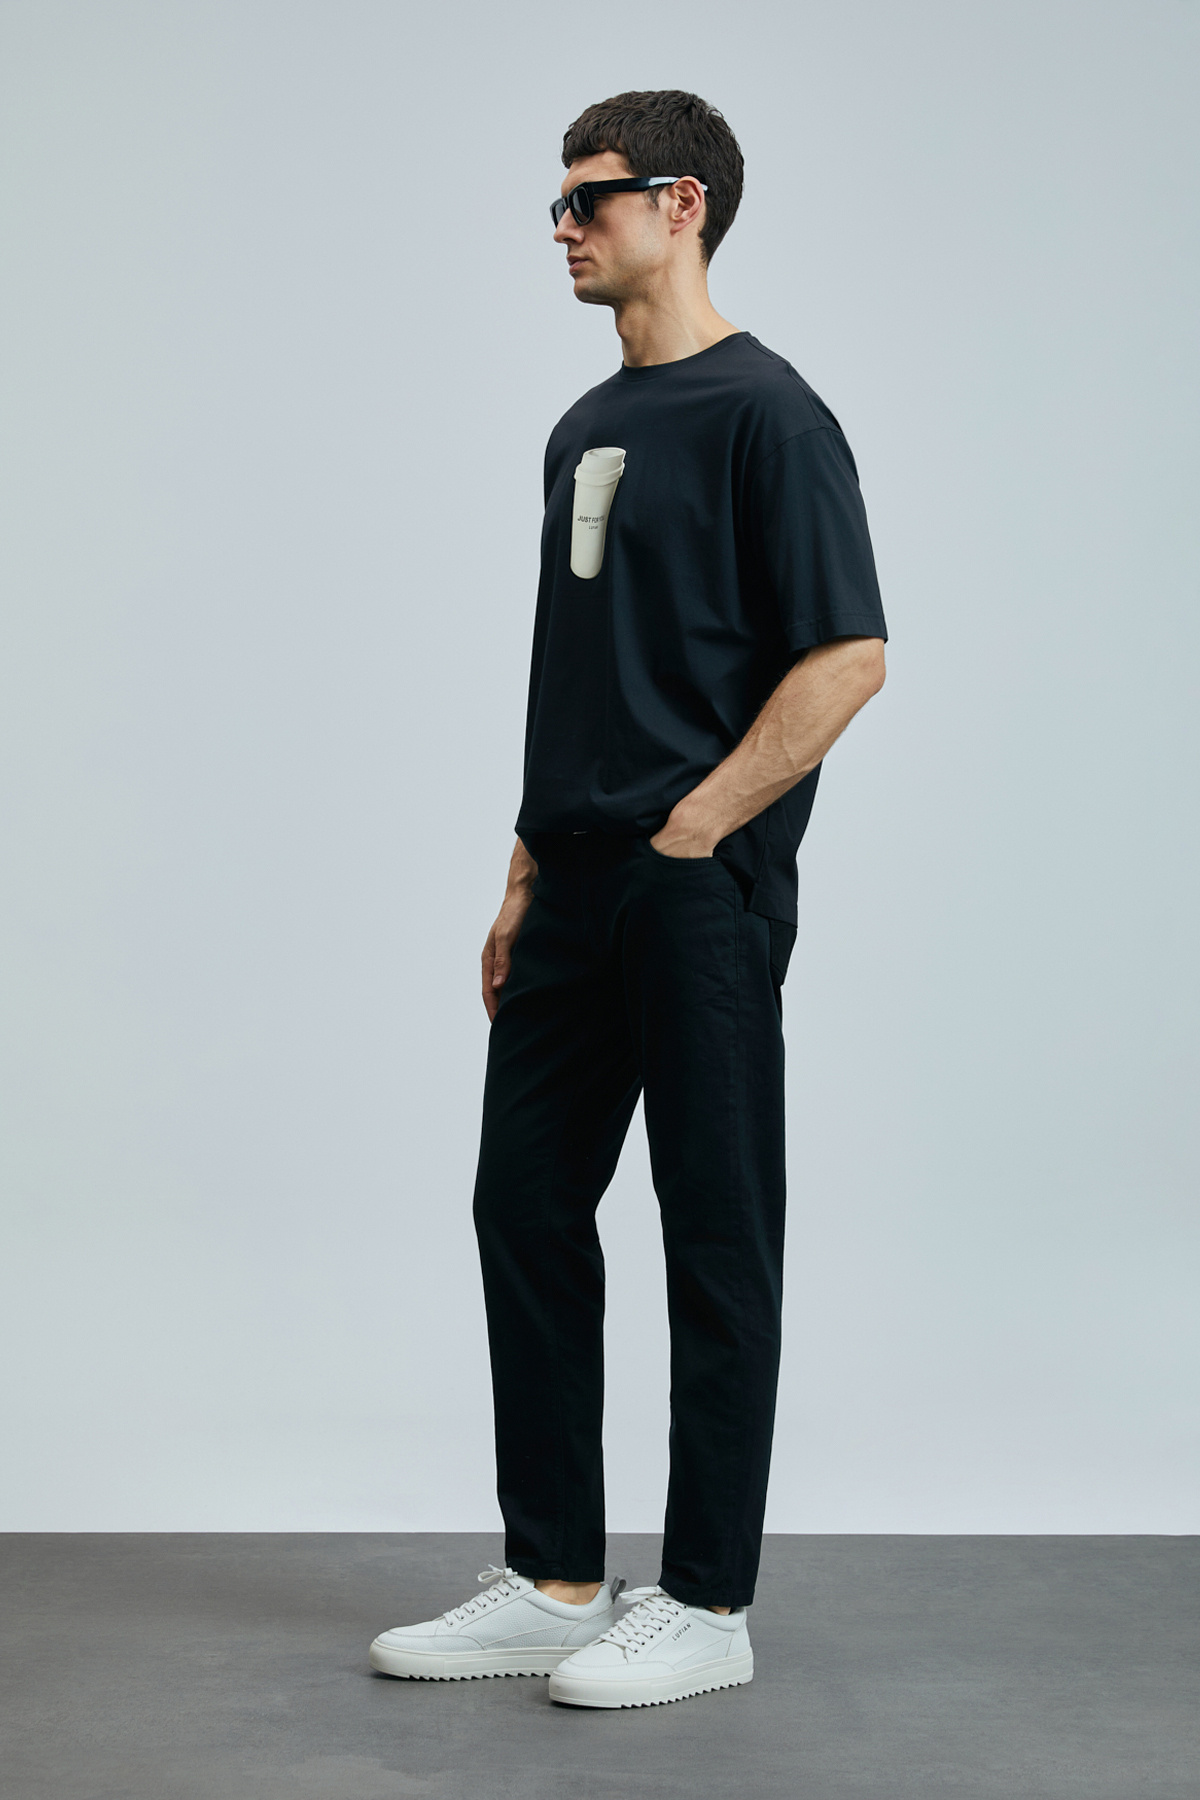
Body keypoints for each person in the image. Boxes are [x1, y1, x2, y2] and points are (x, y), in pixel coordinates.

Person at [370, 88, 887, 1710]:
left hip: (695, 897)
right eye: (558, 201)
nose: (564, 226)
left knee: (715, 1232)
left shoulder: (771, 417)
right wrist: (525, 871)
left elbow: (848, 657)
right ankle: (555, 1578)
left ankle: (710, 1603)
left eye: (589, 198)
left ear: (682, 204)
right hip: (573, 881)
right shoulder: (582, 426)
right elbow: (573, 672)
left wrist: (696, 829)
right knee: (523, 1204)